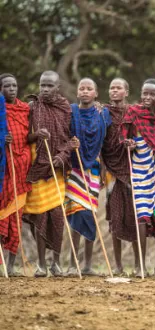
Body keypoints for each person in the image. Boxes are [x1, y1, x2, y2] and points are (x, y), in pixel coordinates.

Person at [122, 78, 155, 277]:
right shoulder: (133, 113)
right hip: (139, 170)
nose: (147, 98)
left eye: (152, 94)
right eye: (145, 93)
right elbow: (125, 136)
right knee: (141, 216)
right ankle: (140, 265)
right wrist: (129, 144)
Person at [23, 71, 73, 277]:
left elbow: (71, 139)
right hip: (37, 168)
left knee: (57, 216)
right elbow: (24, 137)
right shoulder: (32, 108)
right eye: (42, 85)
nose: (44, 89)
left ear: (58, 87)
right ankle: (41, 264)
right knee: (40, 215)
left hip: (57, 170)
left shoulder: (66, 109)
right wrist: (37, 135)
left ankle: (57, 262)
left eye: (49, 86)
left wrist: (61, 157)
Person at [65, 78, 111, 276]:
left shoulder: (103, 114)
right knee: (76, 213)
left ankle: (88, 265)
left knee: (90, 214)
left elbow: (106, 144)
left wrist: (103, 171)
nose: (85, 91)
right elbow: (62, 135)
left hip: (93, 169)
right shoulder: (70, 112)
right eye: (81, 88)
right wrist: (70, 144)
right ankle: (72, 264)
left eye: (89, 88)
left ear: (96, 93)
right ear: (77, 92)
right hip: (75, 169)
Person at [102, 78, 140, 276]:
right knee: (115, 219)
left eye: (118, 88)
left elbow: (141, 138)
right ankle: (118, 266)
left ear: (126, 91)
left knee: (134, 217)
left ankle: (138, 264)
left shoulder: (134, 113)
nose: (114, 91)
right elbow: (100, 139)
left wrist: (134, 145)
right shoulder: (103, 113)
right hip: (111, 171)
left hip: (132, 170)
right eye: (112, 87)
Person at [0, 74, 32, 276]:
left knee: (16, 220)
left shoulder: (25, 109)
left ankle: (11, 267)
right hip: (4, 171)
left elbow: (29, 136)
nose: (12, 89)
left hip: (21, 167)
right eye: (6, 86)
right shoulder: (0, 111)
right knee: (3, 216)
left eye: (14, 85)